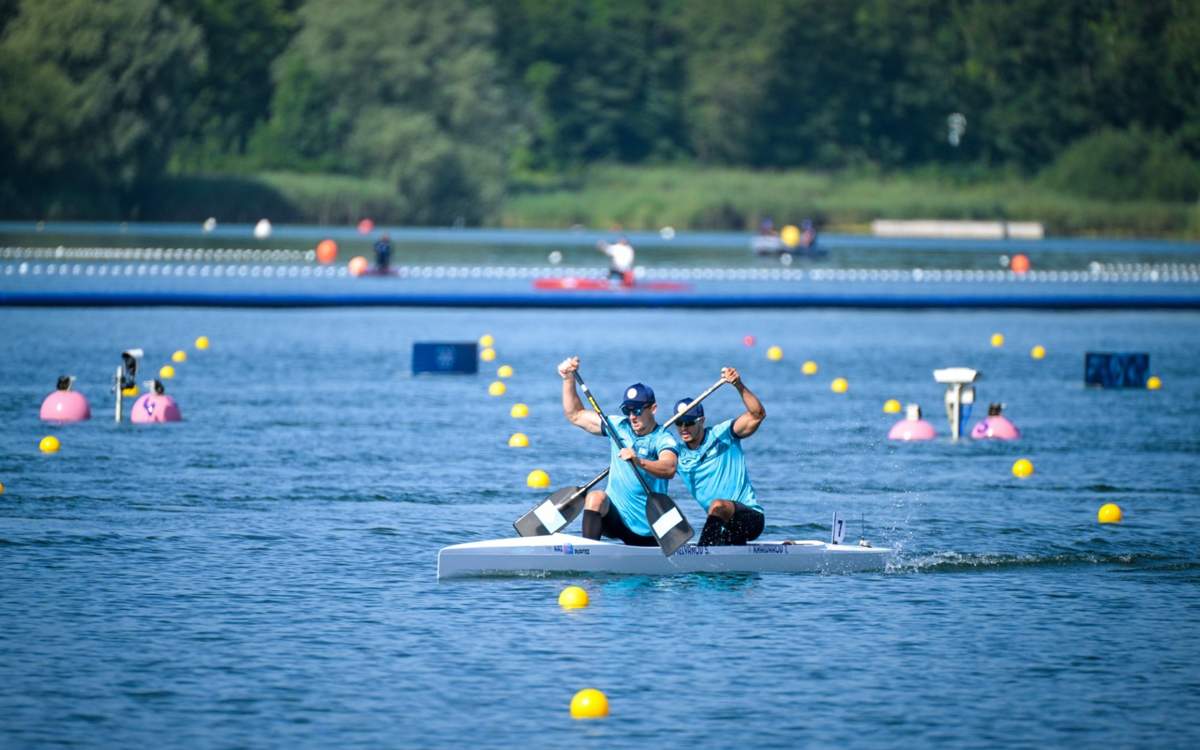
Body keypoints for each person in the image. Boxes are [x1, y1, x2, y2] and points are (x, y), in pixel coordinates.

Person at [558, 356, 678, 546]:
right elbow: (576, 415)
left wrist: (639, 461)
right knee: (595, 497)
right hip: (616, 521)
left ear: (653, 408)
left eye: (637, 410)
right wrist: (567, 379)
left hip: (647, 530)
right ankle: (588, 555)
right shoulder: (617, 427)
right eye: (628, 410)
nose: (632, 416)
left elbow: (669, 467)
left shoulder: (663, 438)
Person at [673, 366, 766, 545]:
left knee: (718, 505)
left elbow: (757, 415)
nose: (684, 428)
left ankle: (702, 555)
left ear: (702, 421)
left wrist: (738, 385)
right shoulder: (676, 454)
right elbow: (657, 469)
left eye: (689, 422)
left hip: (750, 518)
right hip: (723, 527)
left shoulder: (723, 434)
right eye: (679, 422)